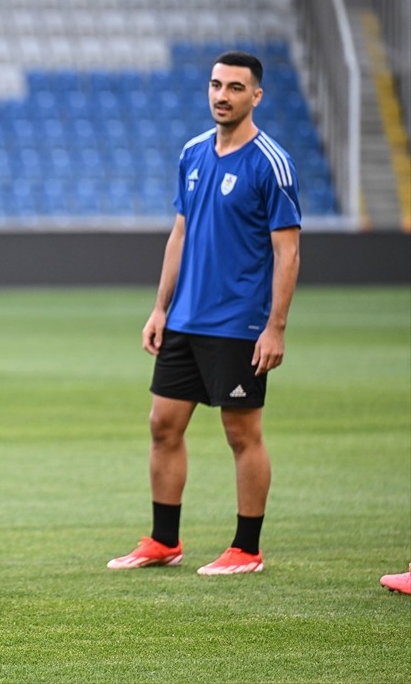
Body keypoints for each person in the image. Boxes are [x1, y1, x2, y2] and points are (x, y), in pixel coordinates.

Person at [108, 51, 301, 576]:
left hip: (238, 325)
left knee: (243, 435)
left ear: (256, 96)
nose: (223, 95)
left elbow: (288, 252)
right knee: (163, 426)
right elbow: (181, 232)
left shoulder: (272, 163)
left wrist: (275, 327)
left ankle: (247, 548)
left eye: (236, 88)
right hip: (184, 321)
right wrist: (160, 307)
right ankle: (164, 540)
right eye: (216, 85)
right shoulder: (193, 153)